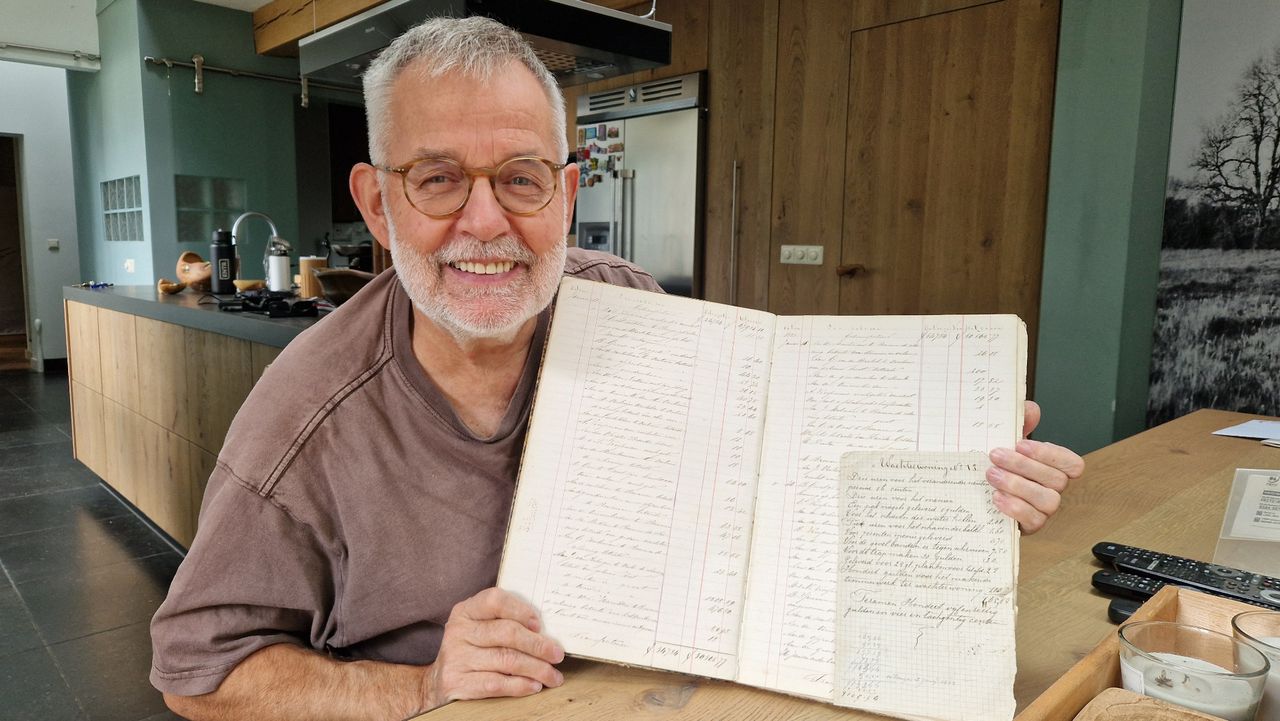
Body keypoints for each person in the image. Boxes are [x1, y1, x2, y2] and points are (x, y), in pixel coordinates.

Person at [150, 16, 1085, 721]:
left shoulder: (627, 305)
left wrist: (961, 485)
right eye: (437, 179)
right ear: (378, 203)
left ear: (565, 194)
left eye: (520, 178)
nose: (484, 224)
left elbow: (762, 488)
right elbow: (197, 671)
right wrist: (423, 683)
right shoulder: (306, 419)